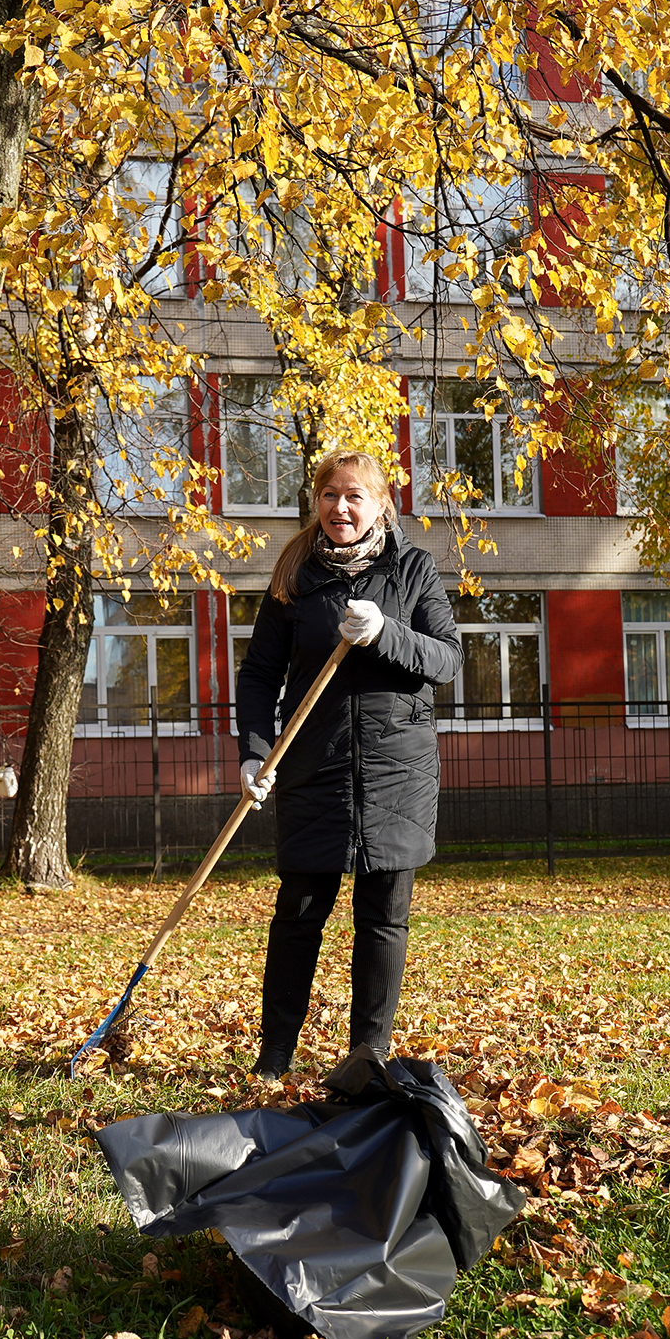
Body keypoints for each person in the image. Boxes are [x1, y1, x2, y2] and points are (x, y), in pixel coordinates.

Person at [234, 450, 462, 1078]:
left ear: (381, 504)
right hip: (313, 770)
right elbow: (258, 677)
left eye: (355, 495)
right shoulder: (295, 579)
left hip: (398, 772)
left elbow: (447, 660)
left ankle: (369, 1054)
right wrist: (255, 754)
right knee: (300, 913)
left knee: (384, 916)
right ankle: (275, 1055)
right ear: (317, 502)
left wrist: (386, 631)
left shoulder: (413, 570)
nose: (341, 507)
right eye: (330, 495)